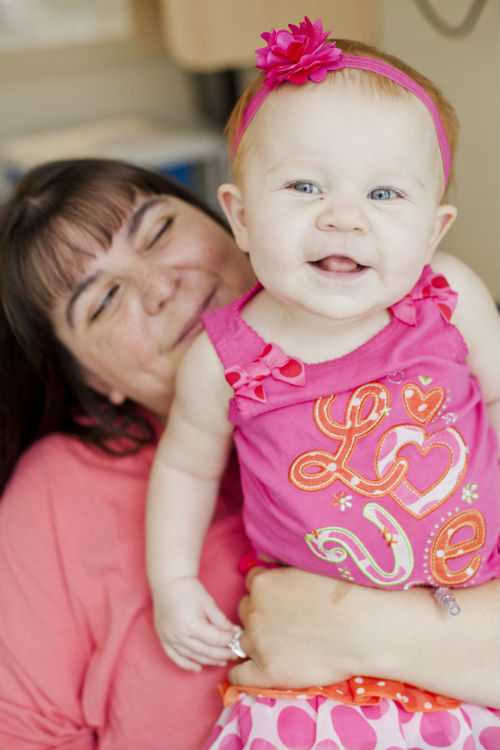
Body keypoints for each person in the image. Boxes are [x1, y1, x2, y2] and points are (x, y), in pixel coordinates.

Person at [0, 161, 499, 750]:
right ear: (88, 376)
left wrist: (366, 632)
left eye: (158, 230)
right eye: (104, 299)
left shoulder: (441, 359)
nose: (161, 287)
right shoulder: (58, 497)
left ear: (235, 217)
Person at [146, 17, 500, 749]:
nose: (343, 217)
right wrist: (174, 584)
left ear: (434, 232)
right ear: (241, 217)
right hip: (316, 667)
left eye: (385, 194)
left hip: (476, 624)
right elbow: (182, 467)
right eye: (305, 186)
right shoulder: (225, 359)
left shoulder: (449, 298)